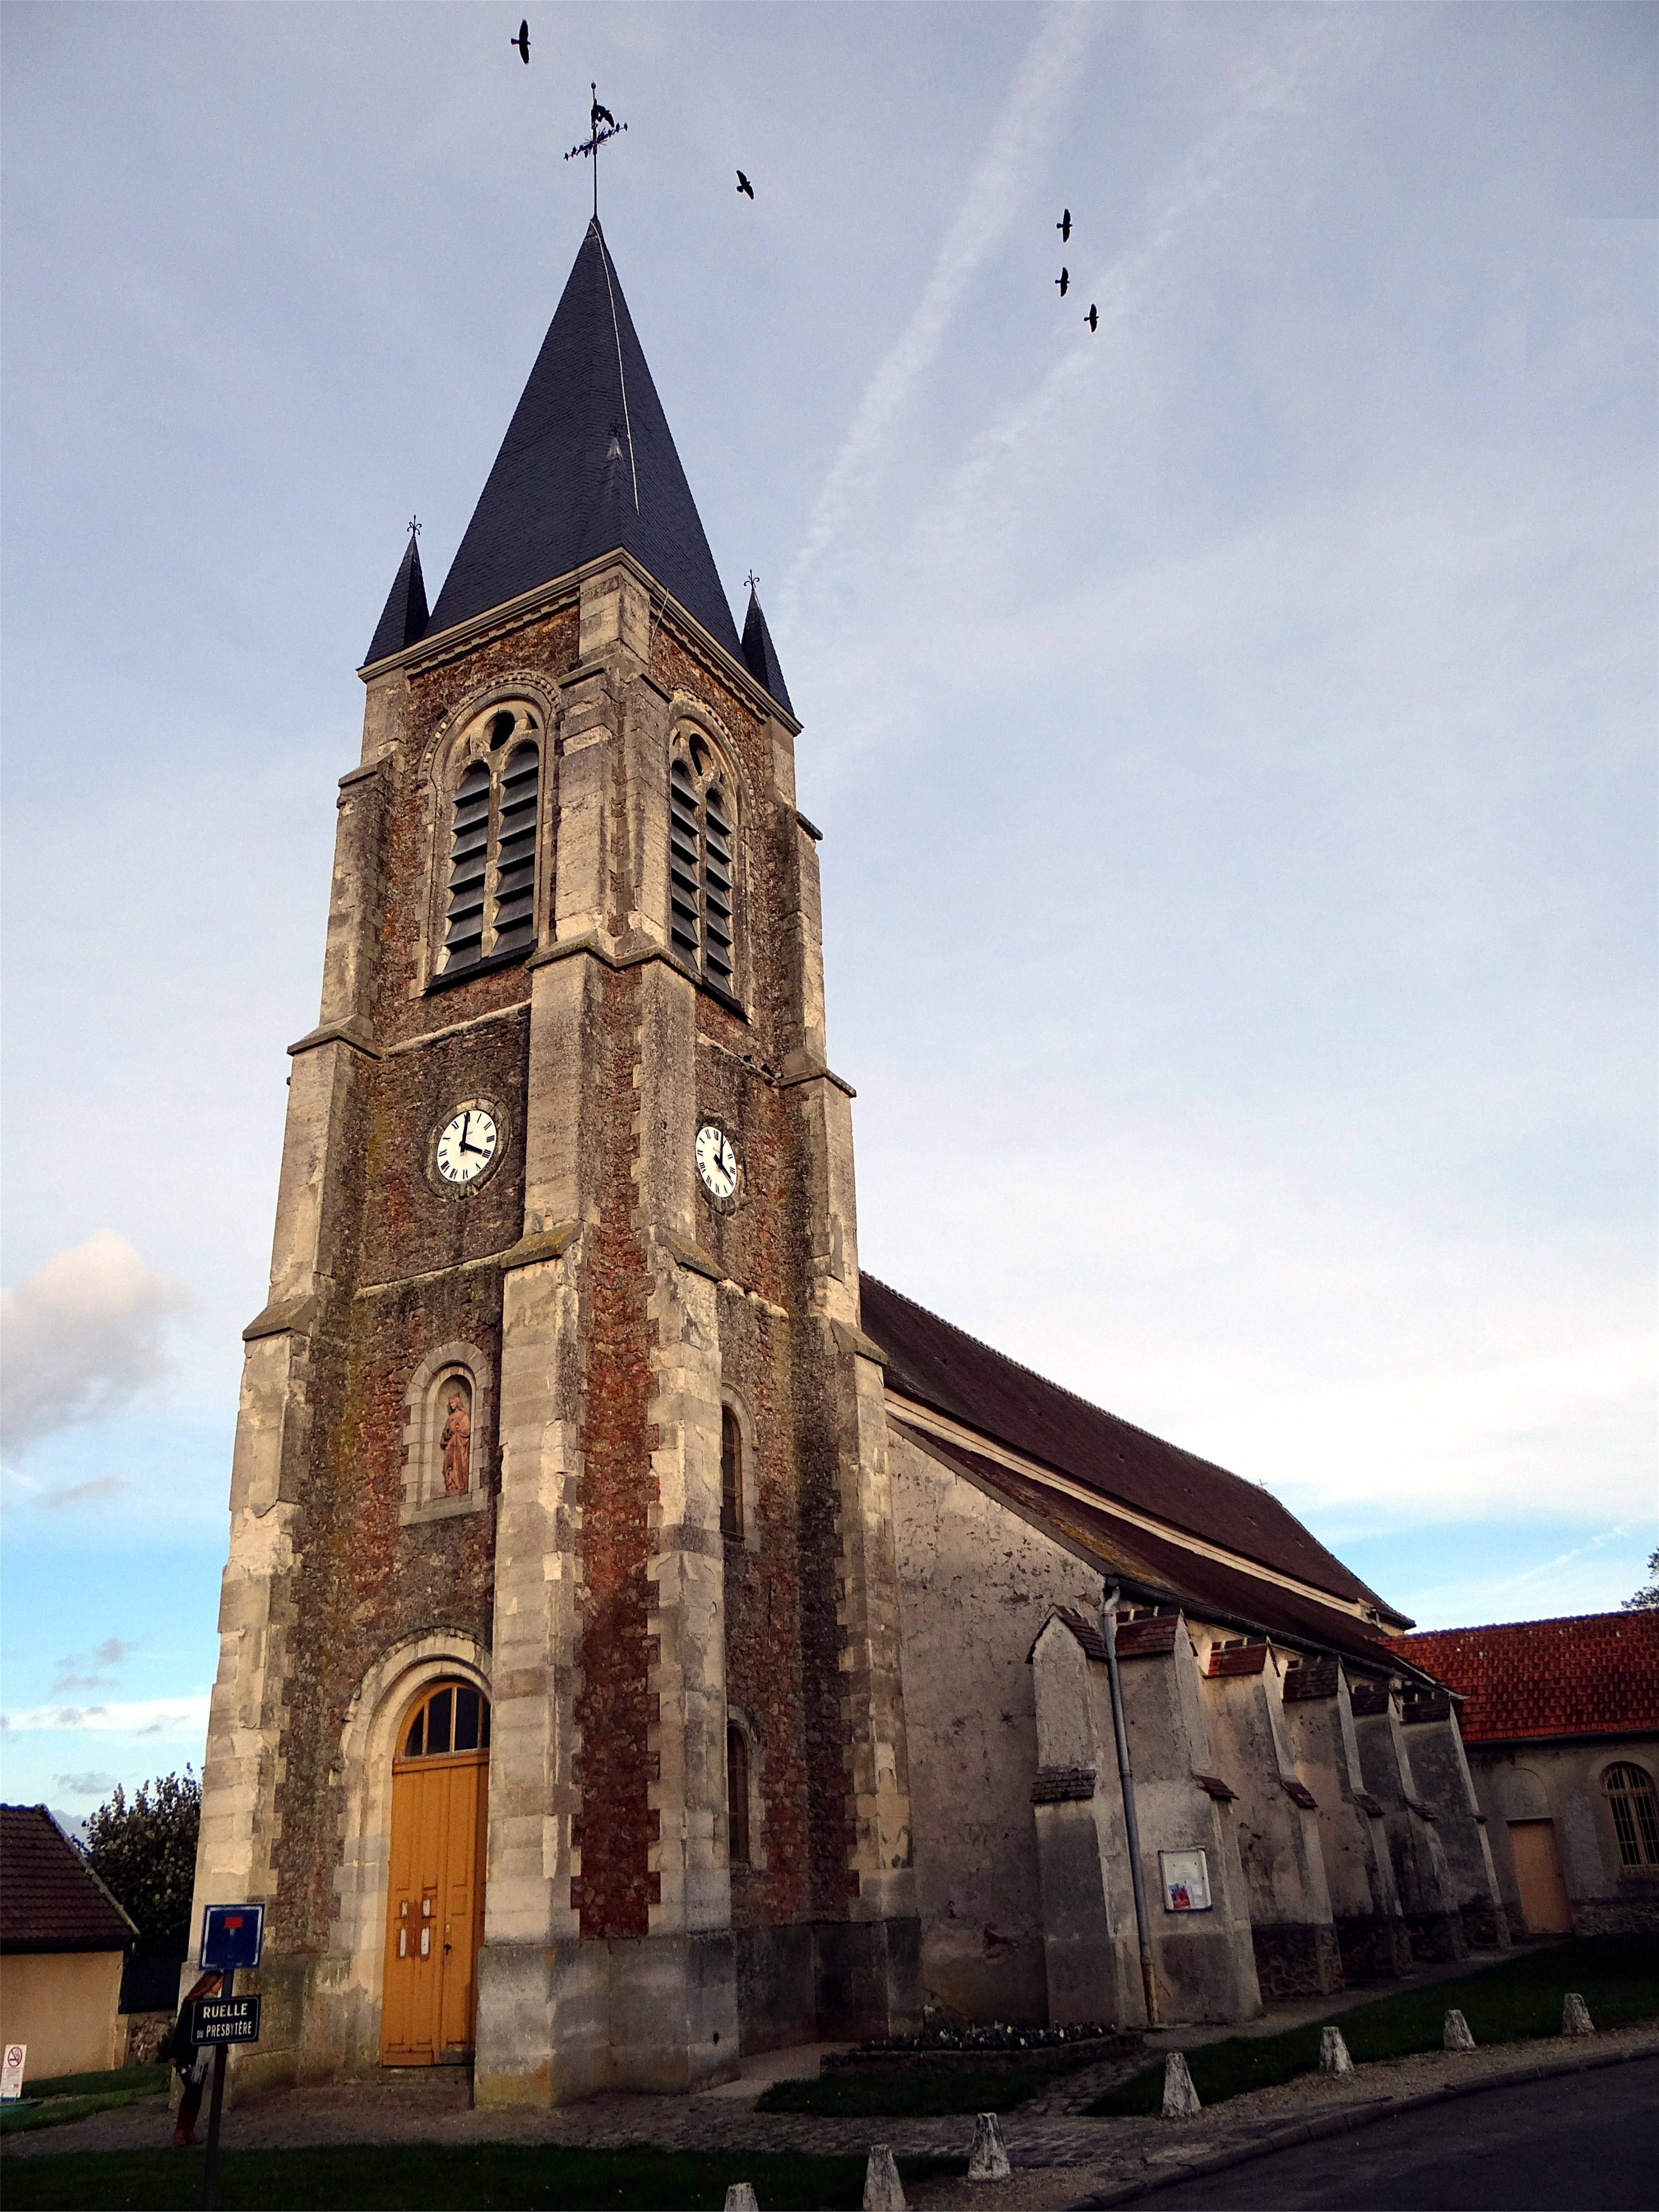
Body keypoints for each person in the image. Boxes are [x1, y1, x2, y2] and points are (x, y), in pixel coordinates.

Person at [165, 1970, 221, 2147]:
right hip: (188, 2055)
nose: (220, 1987)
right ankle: (181, 2130)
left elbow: (219, 2032)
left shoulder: (217, 2006)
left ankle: (190, 2130)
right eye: (219, 1983)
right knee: (191, 2091)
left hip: (204, 2056)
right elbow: (181, 2028)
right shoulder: (192, 2004)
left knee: (197, 2094)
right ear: (211, 1984)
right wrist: (174, 2054)